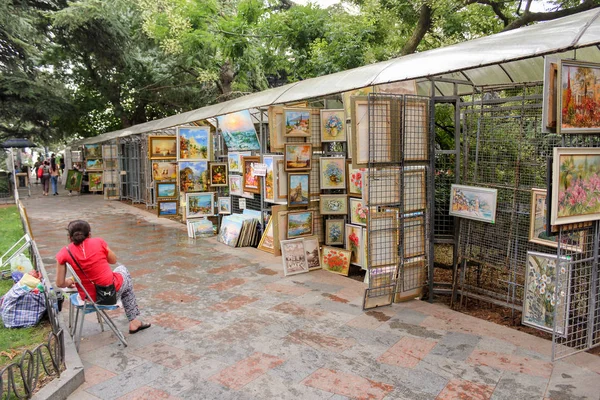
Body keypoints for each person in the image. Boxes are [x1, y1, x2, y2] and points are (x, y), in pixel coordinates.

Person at [55, 220, 151, 334]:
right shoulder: (98, 242)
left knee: (122, 281)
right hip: (108, 294)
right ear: (89, 234)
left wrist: (70, 281)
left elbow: (60, 283)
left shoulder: (64, 252)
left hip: (87, 298)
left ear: (70, 237)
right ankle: (134, 322)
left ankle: (134, 321)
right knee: (123, 271)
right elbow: (113, 260)